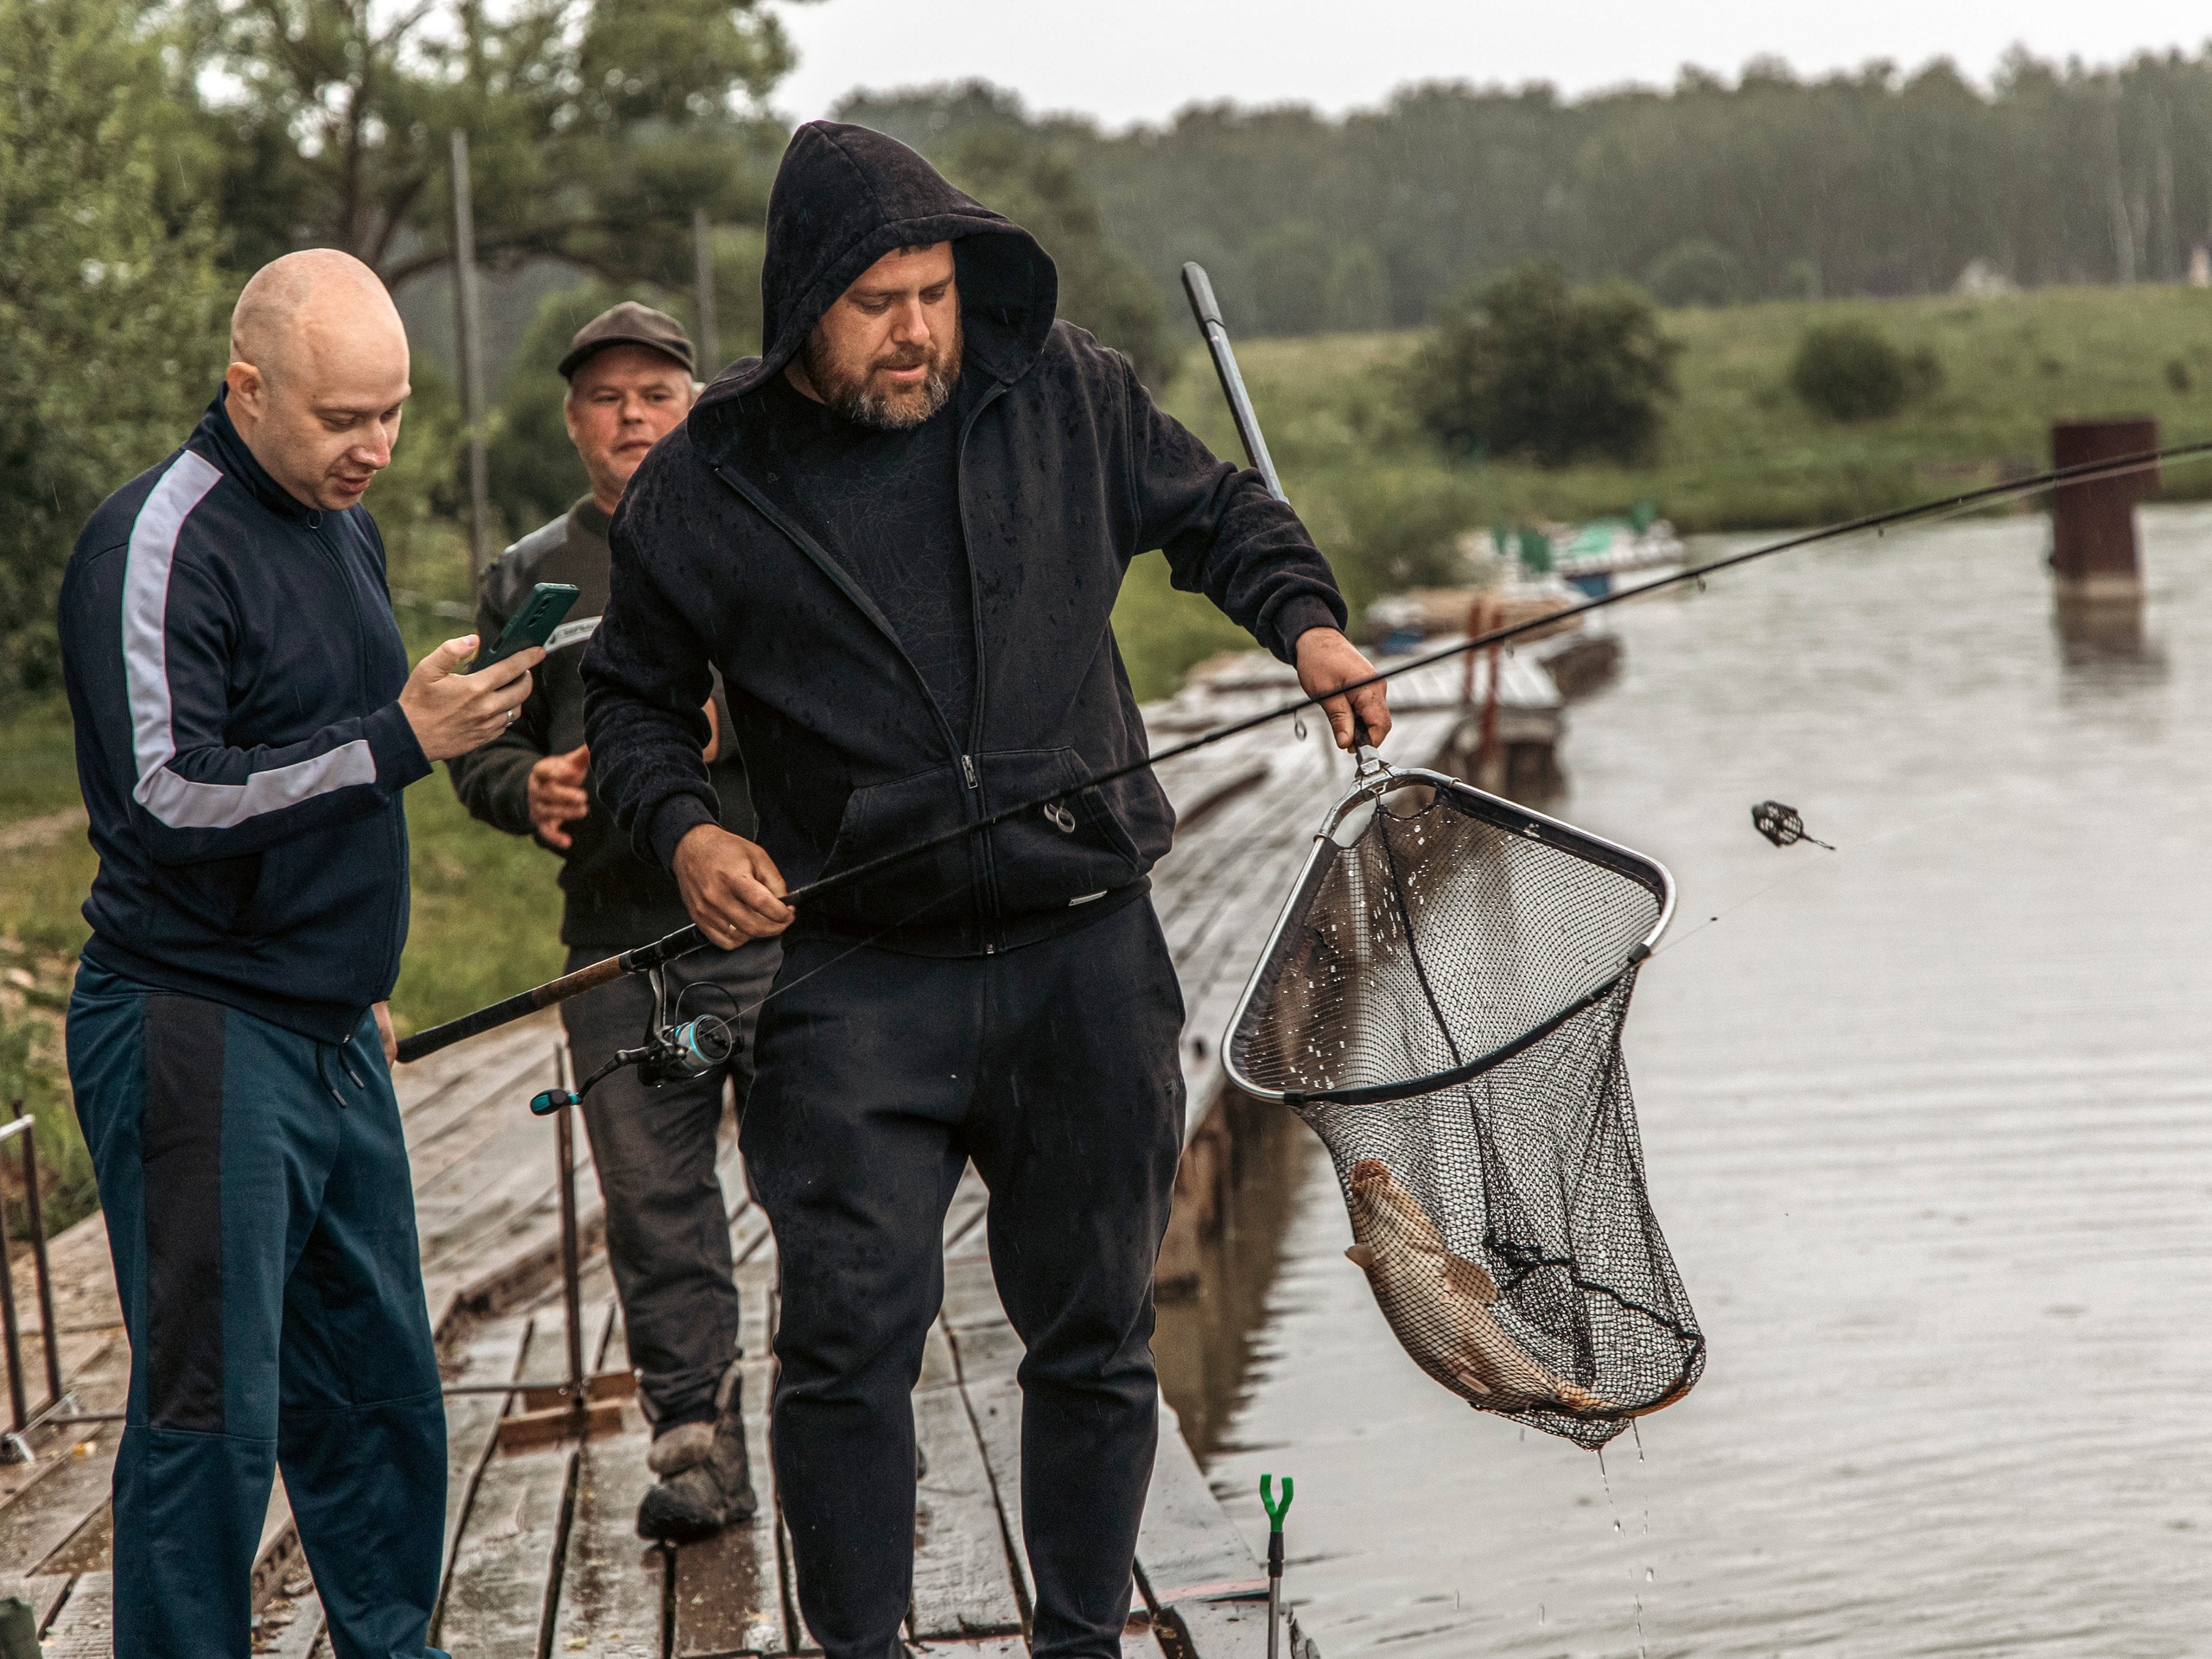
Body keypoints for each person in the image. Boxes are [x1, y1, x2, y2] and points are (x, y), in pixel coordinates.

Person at [582, 124, 1391, 1657]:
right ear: (805, 302)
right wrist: (685, 830)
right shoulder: (708, 480)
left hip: (1082, 951)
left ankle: (1080, 1637)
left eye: (937, 291)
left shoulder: (1067, 392)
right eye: (879, 299)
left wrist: (1310, 627)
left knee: (1093, 1336)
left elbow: (1219, 515)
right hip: (855, 978)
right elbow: (630, 701)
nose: (918, 329)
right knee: (845, 1342)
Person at [57, 249, 537, 1657]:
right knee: (214, 1411)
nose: (372, 448)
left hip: (329, 1028)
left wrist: (356, 978)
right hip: (193, 1022)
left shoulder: (347, 527)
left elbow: (314, 752)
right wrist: (400, 742)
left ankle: (395, 1644)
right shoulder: (154, 539)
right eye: (341, 418)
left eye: (390, 415)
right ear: (246, 385)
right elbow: (172, 792)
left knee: (380, 1382)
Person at [448, 302, 775, 1542]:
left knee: (819, 1177)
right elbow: (482, 738)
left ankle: (843, 1408)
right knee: (651, 1194)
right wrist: (516, 787)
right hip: (615, 945)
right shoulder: (533, 577)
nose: (632, 415)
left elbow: (829, 688)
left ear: (693, 403)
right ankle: (695, 1439)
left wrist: (717, 730)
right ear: (574, 421)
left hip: (767, 918)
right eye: (606, 398)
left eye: (655, 393)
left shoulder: (756, 532)